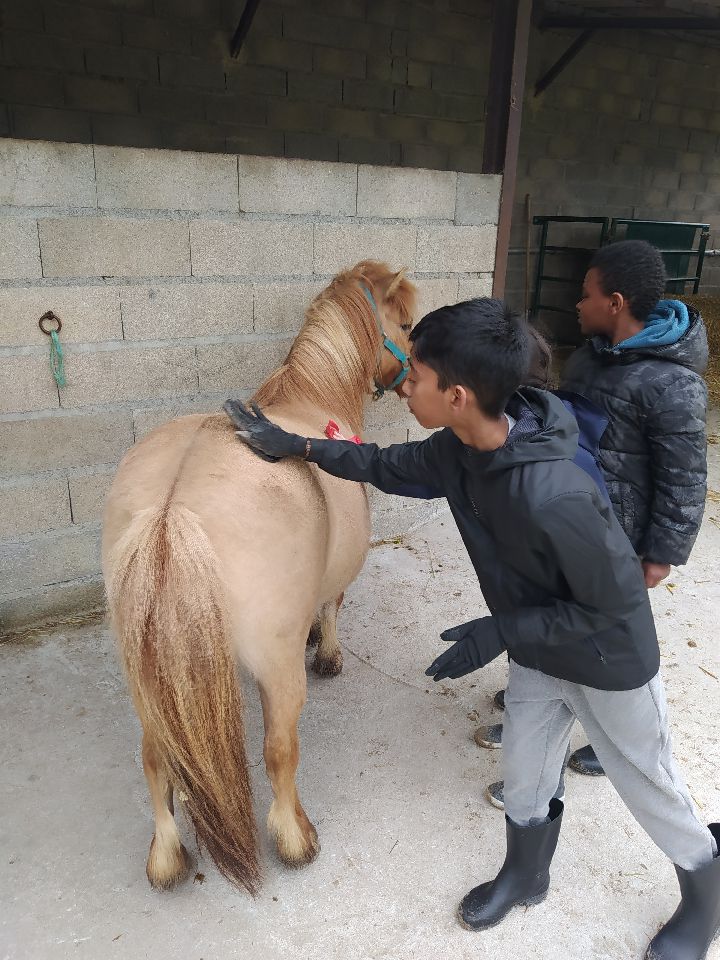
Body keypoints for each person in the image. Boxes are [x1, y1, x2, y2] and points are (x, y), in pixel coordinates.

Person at [225, 297, 719, 959]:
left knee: (651, 788)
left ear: (456, 395)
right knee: (525, 774)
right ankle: (525, 874)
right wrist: (303, 446)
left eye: (417, 378)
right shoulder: (462, 448)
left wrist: (499, 630)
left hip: (607, 663)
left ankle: (705, 899)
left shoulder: (556, 494)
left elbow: (615, 605)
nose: (405, 386)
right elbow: (387, 467)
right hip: (540, 648)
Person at [478, 239, 709, 806]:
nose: (576, 304)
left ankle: (613, 742)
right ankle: (535, 721)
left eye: (586, 294)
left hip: (621, 539)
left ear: (617, 301)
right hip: (569, 521)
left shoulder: (673, 384)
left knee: (606, 641)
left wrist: (662, 553)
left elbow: (686, 480)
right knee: (549, 617)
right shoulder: (591, 354)